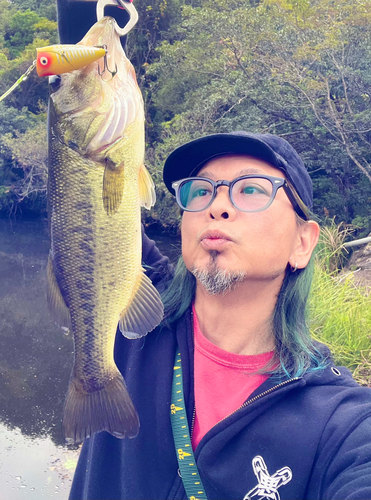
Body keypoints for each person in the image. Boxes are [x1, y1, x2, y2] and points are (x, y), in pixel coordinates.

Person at [55, 3, 371, 499]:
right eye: (200, 190)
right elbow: (85, 217)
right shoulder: (137, 312)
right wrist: (93, 19)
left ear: (303, 242)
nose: (217, 206)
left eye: (250, 190)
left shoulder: (341, 423)